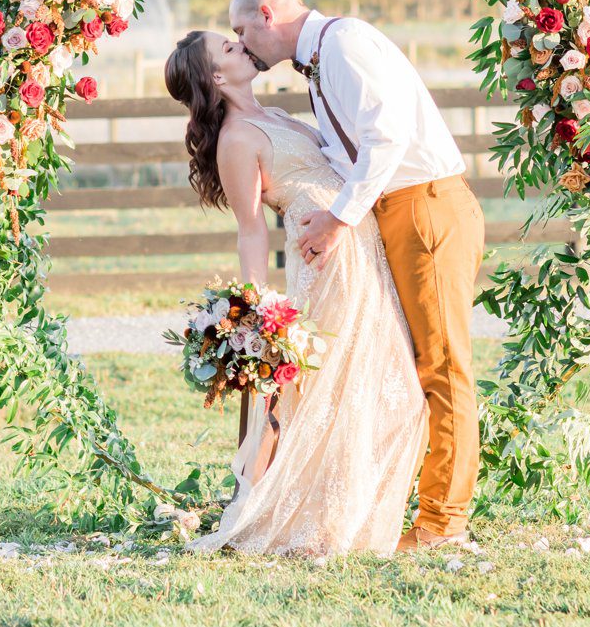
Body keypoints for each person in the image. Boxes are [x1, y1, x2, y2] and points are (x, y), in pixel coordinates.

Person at [163, 28, 427, 556]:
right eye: (230, 49)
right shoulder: (238, 139)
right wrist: (259, 309)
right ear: (217, 76)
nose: (243, 47)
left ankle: (351, 509)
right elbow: (250, 228)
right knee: (340, 384)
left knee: (382, 377)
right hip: (324, 258)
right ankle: (318, 519)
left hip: (354, 241)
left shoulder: (274, 116)